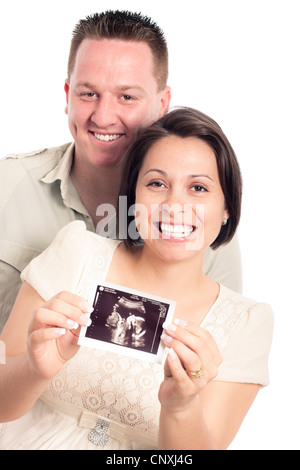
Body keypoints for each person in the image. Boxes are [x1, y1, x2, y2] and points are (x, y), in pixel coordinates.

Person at [0, 107, 273, 450]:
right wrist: (34, 368)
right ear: (133, 198)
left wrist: (181, 405)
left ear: (227, 207)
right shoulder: (76, 252)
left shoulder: (247, 322)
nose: (175, 205)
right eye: (157, 183)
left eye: (199, 188)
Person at [0, 11, 242, 334]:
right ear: (67, 96)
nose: (103, 116)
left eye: (126, 97)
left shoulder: (198, 224)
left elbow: (220, 352)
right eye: (88, 94)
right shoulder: (7, 184)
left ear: (162, 104)